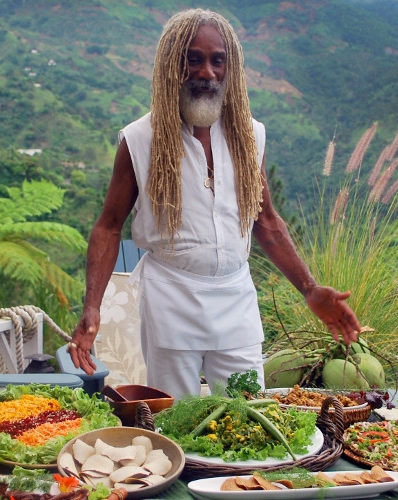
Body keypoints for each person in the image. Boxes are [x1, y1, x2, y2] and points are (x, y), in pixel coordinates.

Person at [69, 8, 362, 398]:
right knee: (174, 419)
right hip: (170, 296)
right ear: (174, 63)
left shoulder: (248, 136)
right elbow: (108, 225)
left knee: (250, 416)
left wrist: (309, 289)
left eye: (217, 60)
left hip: (235, 298)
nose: (206, 72)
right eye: (194, 58)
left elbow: (267, 222)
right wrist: (92, 308)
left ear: (230, 68)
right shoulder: (140, 139)